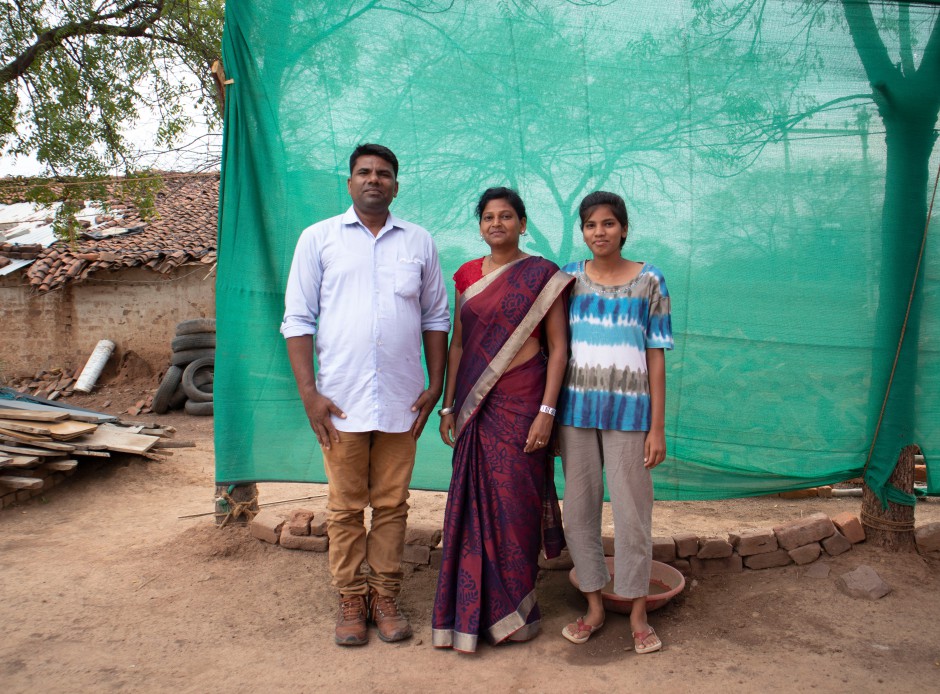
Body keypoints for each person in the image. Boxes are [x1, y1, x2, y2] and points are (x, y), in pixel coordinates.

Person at [281, 143, 450, 646]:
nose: (373, 180)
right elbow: (297, 320)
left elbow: (436, 317)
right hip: (340, 402)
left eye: (383, 174)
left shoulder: (418, 242)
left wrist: (436, 382)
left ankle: (386, 595)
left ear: (396, 184)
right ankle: (351, 599)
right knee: (345, 506)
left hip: (401, 399)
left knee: (393, 504)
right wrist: (309, 393)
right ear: (349, 182)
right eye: (364, 173)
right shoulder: (318, 239)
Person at [432, 187, 573, 653]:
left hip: (523, 404)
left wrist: (547, 413)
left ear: (522, 222)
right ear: (480, 226)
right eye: (489, 217)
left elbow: (559, 349)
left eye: (506, 216)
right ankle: (472, 614)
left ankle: (517, 610)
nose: (497, 223)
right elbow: (457, 344)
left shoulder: (543, 275)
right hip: (475, 405)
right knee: (472, 507)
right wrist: (450, 404)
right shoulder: (468, 276)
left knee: (517, 505)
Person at [557, 190, 673, 654]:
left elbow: (656, 357)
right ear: (582, 232)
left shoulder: (651, 281)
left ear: (624, 228)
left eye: (608, 223)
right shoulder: (568, 279)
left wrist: (657, 426)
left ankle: (638, 611)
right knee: (579, 513)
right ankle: (594, 606)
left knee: (633, 514)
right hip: (576, 414)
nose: (599, 232)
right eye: (590, 225)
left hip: (631, 415)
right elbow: (555, 348)